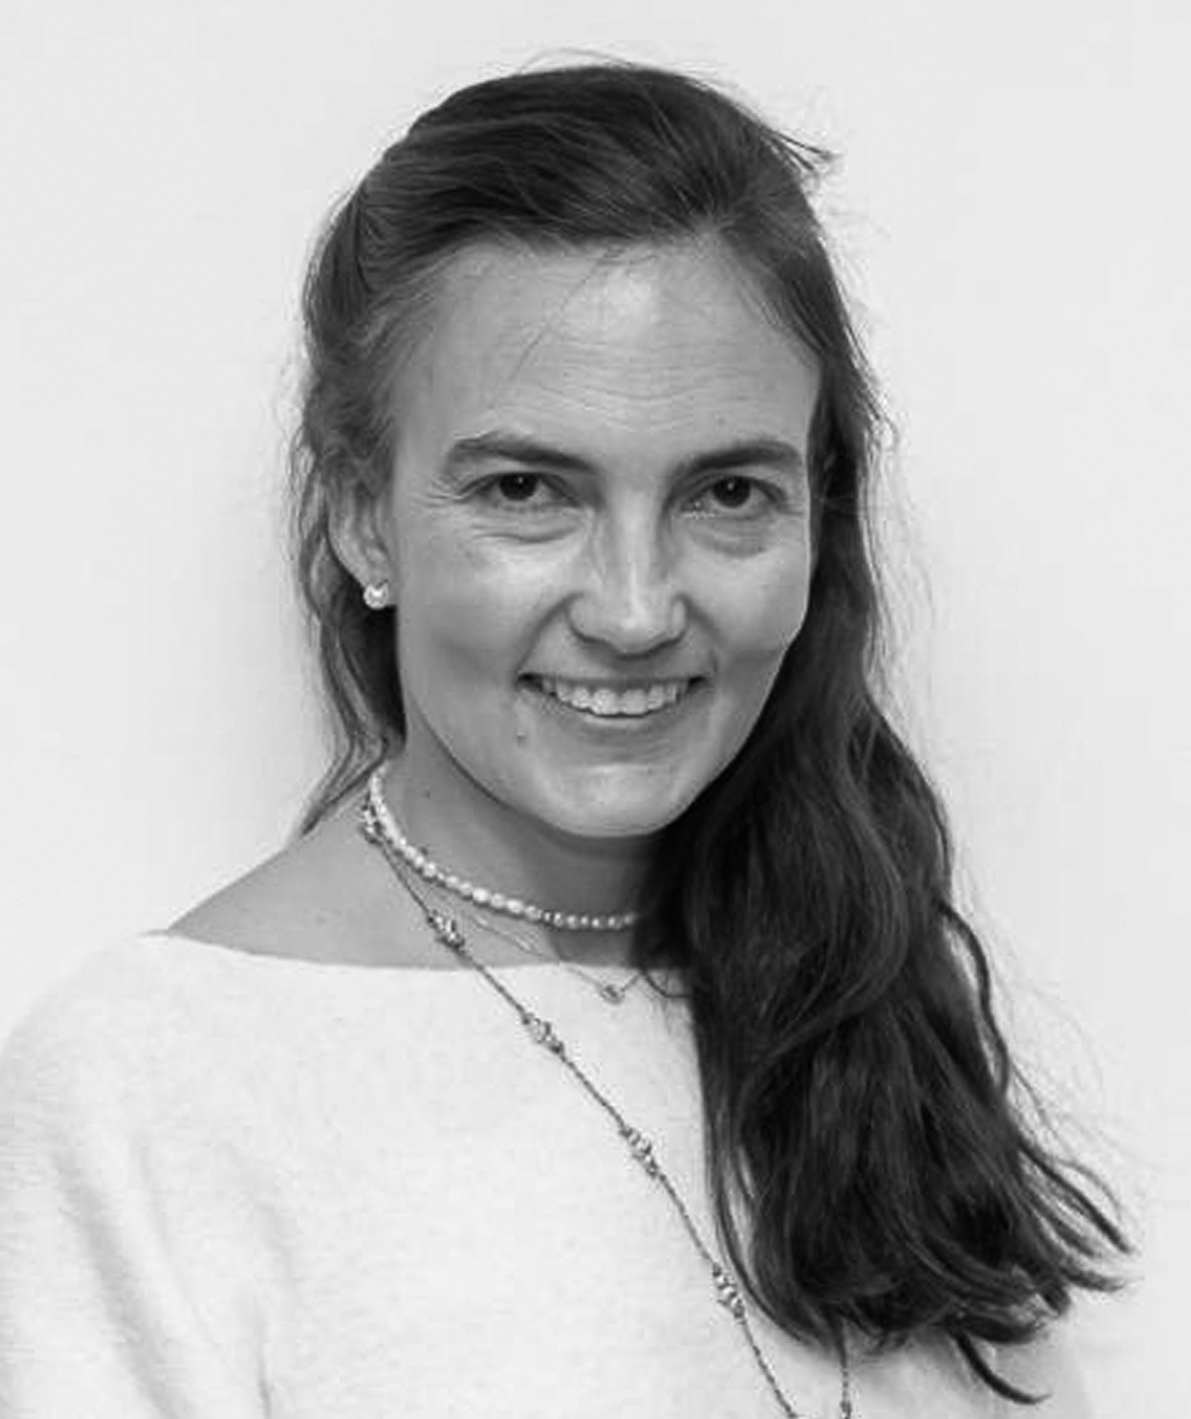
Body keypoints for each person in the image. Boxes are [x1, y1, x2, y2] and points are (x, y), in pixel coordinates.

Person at [0, 62, 1125, 1418]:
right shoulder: (144, 1094)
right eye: (527, 489)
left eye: (727, 492)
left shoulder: (858, 995)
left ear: (816, 518)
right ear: (363, 515)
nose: (636, 610)